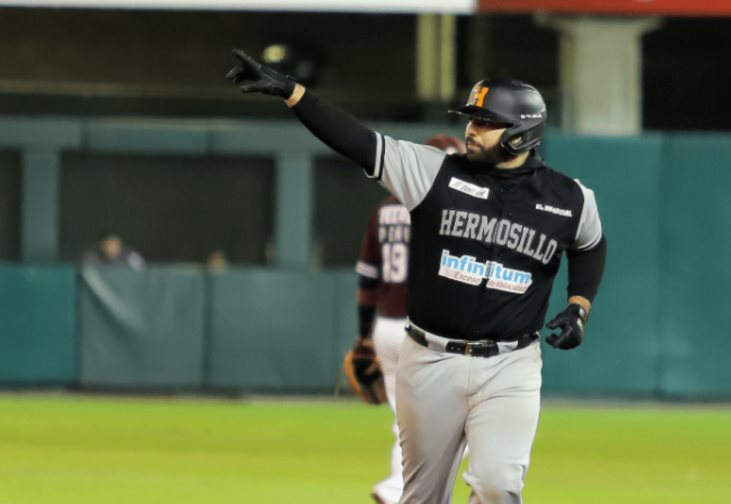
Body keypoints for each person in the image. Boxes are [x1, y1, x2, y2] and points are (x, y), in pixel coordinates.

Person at [227, 49, 607, 504]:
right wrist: (293, 93)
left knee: (498, 486)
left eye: (486, 122)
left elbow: (590, 245)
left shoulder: (570, 199)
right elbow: (358, 141)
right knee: (422, 498)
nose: (472, 129)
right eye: (472, 118)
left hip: (510, 364)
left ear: (522, 133)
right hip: (430, 360)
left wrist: (579, 305)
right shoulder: (432, 172)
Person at [353, 134, 465, 504]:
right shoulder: (445, 208)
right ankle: (399, 488)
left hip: (385, 326)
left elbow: (367, 278)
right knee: (460, 418)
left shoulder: (385, 208)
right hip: (423, 329)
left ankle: (398, 487)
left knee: (408, 418)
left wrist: (363, 336)